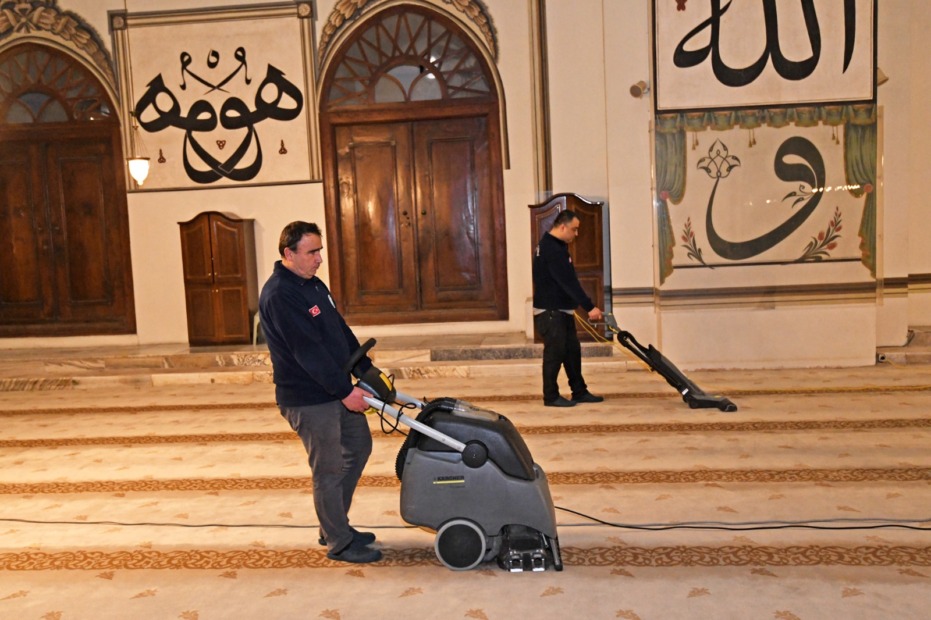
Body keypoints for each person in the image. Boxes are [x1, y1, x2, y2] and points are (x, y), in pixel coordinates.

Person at [258, 221, 381, 564]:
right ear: (289, 253)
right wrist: (345, 392)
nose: (319, 259)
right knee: (328, 468)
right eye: (312, 252)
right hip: (309, 399)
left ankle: (333, 526)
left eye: (319, 251)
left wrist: (364, 369)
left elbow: (339, 330)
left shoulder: (313, 284)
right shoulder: (280, 294)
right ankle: (339, 542)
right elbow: (307, 352)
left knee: (358, 446)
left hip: (333, 389)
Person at [532, 210, 605, 407]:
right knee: (554, 355)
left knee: (572, 352)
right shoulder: (552, 249)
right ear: (563, 227)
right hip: (551, 312)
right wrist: (589, 307)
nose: (576, 234)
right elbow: (568, 282)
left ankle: (579, 391)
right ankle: (551, 396)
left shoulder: (552, 245)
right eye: (574, 229)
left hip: (560, 311)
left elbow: (565, 281)